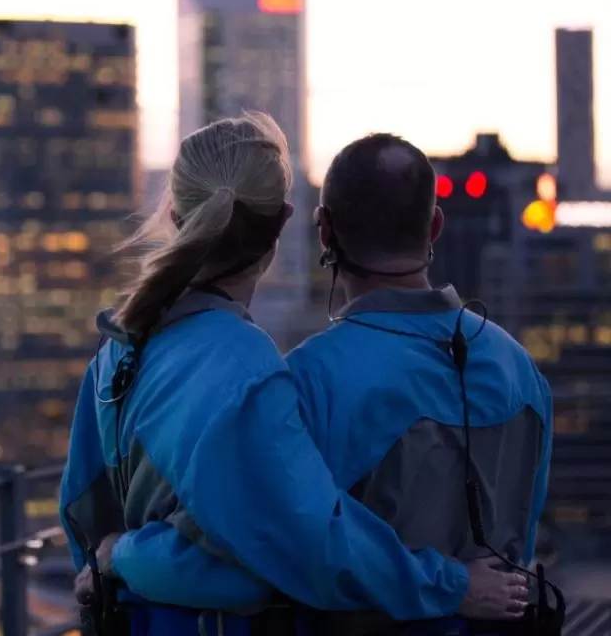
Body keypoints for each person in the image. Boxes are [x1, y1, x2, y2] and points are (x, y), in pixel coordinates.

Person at [59, 118, 529, 636]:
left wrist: (115, 556)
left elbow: (82, 512)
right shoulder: (248, 368)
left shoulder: (118, 351)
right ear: (284, 222)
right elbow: (290, 552)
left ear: (176, 215)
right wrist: (454, 586)